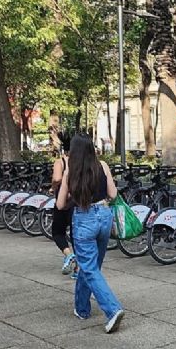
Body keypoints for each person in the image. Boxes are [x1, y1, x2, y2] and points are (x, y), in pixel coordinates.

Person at [56, 134, 124, 333]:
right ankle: (82, 308)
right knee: (91, 267)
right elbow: (113, 194)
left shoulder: (71, 172)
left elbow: (60, 205)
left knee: (90, 268)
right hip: (104, 215)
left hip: (84, 219)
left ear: (74, 152)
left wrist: (70, 194)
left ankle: (113, 310)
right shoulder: (102, 165)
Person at [51, 135, 77, 278]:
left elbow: (57, 178)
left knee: (57, 232)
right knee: (75, 235)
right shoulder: (79, 162)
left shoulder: (60, 162)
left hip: (62, 202)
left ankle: (68, 254)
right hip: (77, 202)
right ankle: (78, 269)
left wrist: (53, 187)